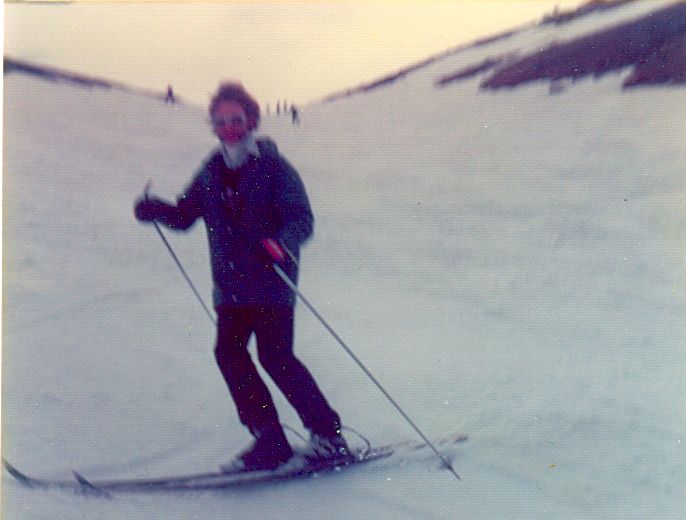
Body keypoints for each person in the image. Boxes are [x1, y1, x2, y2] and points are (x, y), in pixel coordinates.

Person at [134, 82, 349, 470]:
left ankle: (328, 436)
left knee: (275, 357)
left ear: (251, 120)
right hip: (231, 288)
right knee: (229, 354)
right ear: (213, 125)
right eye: (221, 121)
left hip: (270, 284)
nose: (230, 127)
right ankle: (270, 441)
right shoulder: (212, 170)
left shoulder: (275, 167)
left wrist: (279, 244)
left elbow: (302, 220)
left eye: (237, 119)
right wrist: (156, 210)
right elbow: (185, 216)